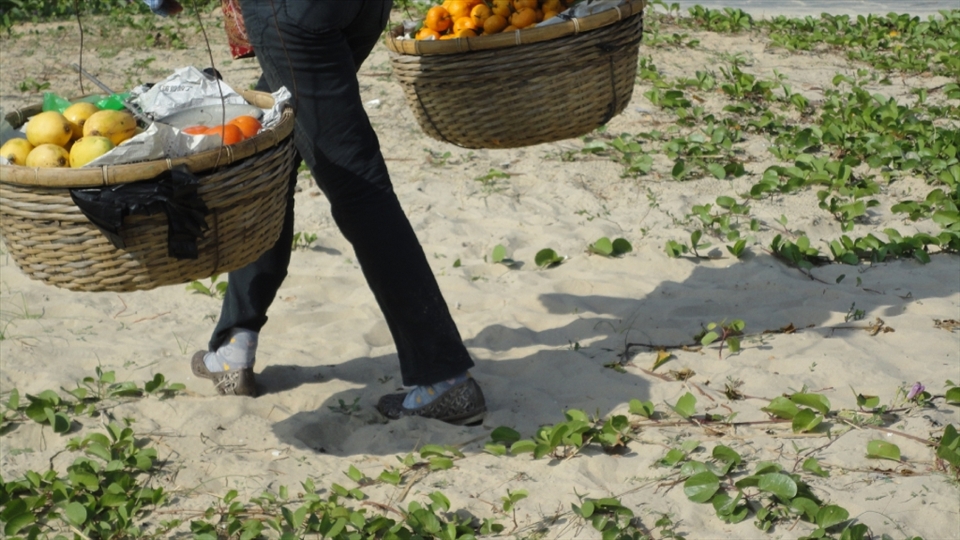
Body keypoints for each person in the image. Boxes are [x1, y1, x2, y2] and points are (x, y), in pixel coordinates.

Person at [143, 0, 486, 426]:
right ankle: (235, 343)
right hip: (360, 8)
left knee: (356, 185)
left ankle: (443, 376)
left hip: (295, 14)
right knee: (272, 149)